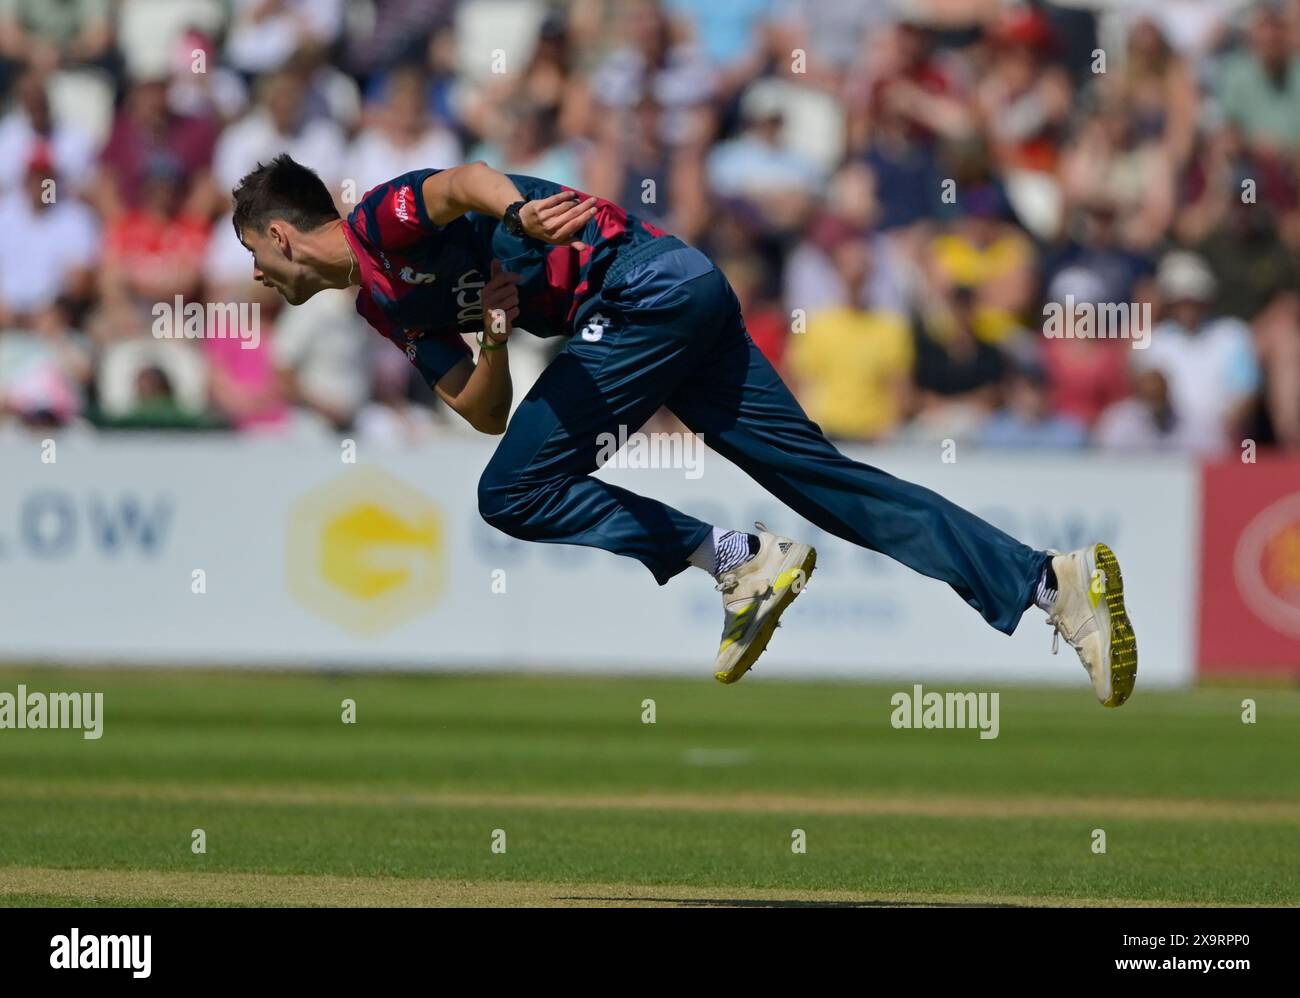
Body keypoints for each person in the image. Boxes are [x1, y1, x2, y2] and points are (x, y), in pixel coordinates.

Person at [230, 154, 1137, 707]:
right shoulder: (383, 312)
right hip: (682, 292)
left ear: (278, 232)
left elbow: (461, 182)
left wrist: (513, 213)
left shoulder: (379, 222)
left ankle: (735, 558)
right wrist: (500, 339)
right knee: (827, 484)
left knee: (511, 492)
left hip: (640, 291)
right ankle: (1049, 584)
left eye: (255, 257)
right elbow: (483, 408)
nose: (260, 279)